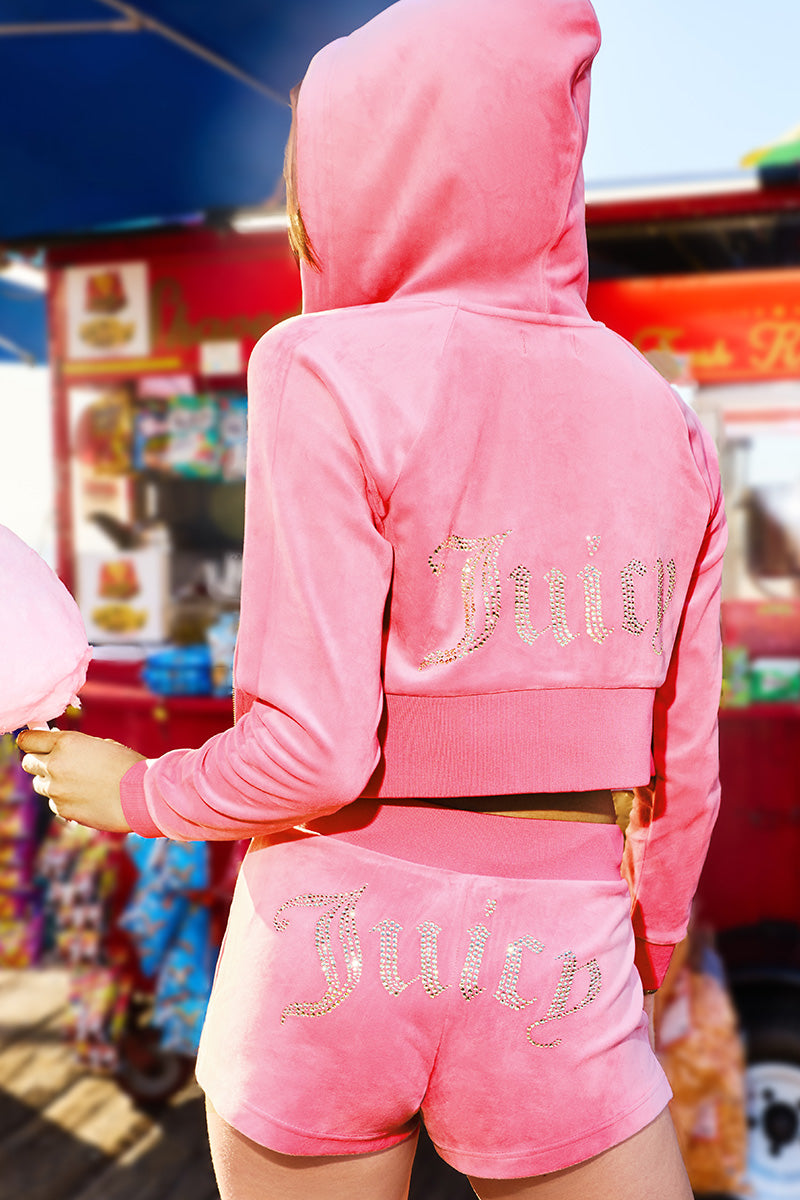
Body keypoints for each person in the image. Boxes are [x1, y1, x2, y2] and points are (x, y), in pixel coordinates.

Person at [18, 1, 725, 1197]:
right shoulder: (657, 411)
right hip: (554, 959)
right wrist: (646, 948)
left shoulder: (319, 364)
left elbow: (316, 753)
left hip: (325, 950)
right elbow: (682, 766)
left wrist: (135, 790)